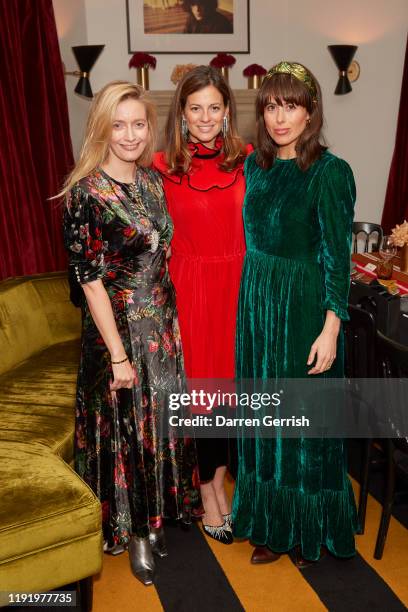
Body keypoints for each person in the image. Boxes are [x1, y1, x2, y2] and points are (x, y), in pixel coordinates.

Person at [62, 81, 198, 586]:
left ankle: (157, 516)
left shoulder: (151, 182)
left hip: (161, 326)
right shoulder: (86, 193)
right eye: (117, 124)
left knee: (159, 426)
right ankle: (135, 530)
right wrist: (119, 356)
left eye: (138, 124)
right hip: (116, 334)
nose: (130, 134)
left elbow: (161, 256)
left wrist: (171, 324)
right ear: (101, 127)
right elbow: (90, 283)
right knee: (127, 431)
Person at [232, 61, 358, 566]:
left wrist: (332, 327)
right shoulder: (254, 167)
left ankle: (309, 529)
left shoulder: (331, 172)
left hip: (305, 306)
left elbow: (337, 257)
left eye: (291, 106)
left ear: (311, 112)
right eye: (270, 105)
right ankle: (270, 521)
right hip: (258, 303)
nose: (279, 117)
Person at [154, 65, 252, 544]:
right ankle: (210, 494)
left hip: (239, 288)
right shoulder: (160, 167)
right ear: (183, 113)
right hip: (190, 292)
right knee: (202, 399)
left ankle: (221, 483)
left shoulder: (250, 161)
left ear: (228, 110)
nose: (206, 117)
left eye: (215, 107)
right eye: (196, 108)